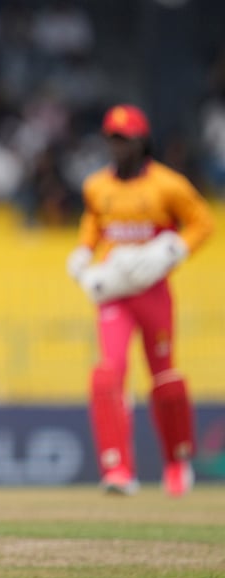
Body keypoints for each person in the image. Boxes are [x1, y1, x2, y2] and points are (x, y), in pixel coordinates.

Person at [65, 104, 214, 498]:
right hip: (116, 294)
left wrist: (174, 251)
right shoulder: (97, 185)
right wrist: (83, 251)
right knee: (107, 375)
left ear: (142, 142)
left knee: (164, 378)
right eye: (113, 140)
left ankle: (176, 462)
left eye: (126, 141)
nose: (119, 148)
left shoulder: (168, 185)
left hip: (153, 293)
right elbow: (95, 221)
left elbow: (203, 222)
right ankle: (118, 469)